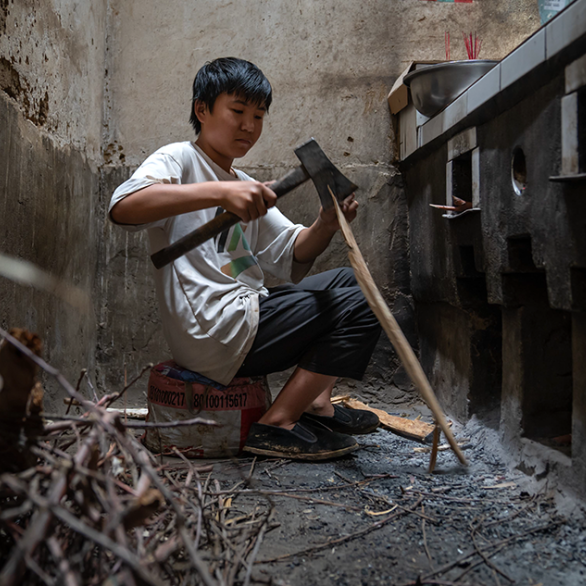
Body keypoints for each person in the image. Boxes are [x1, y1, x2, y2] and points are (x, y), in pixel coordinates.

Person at [108, 57, 383, 460]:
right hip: (213, 330)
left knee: (347, 281)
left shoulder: (245, 185)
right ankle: (277, 425)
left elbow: (294, 253)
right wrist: (219, 193)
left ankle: (317, 406)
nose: (249, 126)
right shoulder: (178, 159)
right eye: (237, 112)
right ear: (202, 110)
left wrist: (326, 222)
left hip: (247, 315)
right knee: (362, 304)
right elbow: (123, 207)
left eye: (258, 116)